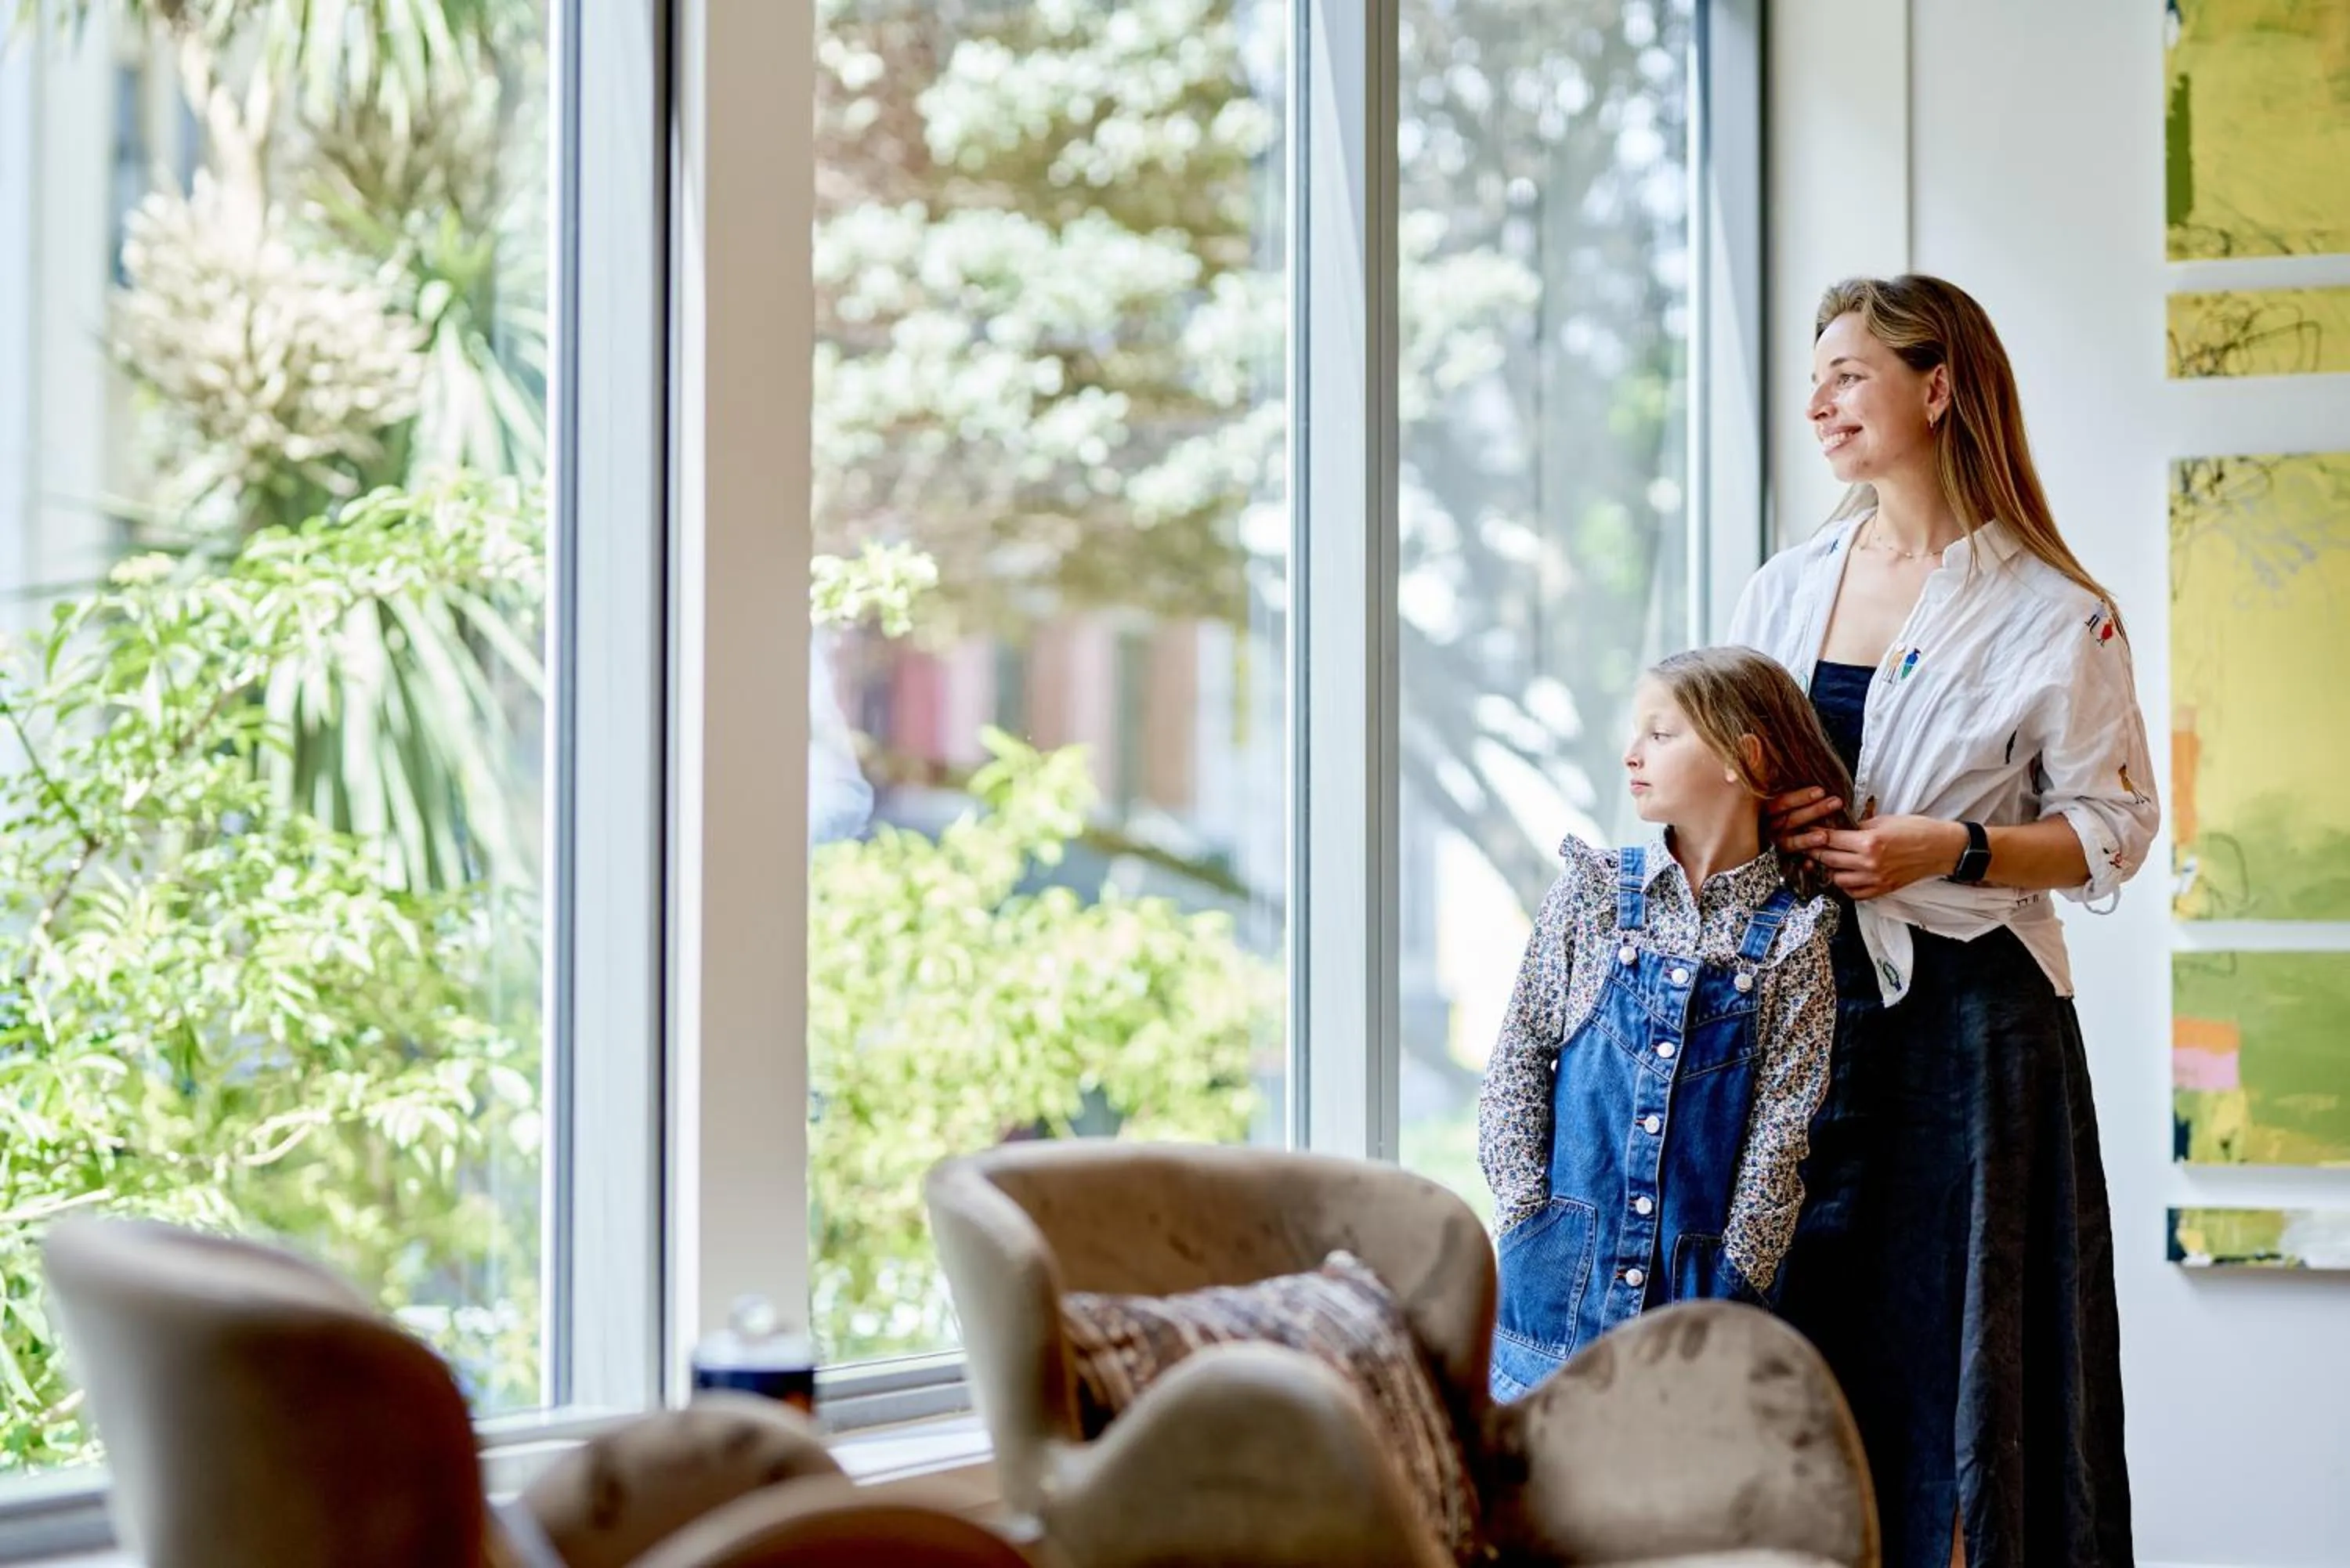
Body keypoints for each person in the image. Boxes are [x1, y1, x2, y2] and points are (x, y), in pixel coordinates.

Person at [1726, 274, 2157, 1568]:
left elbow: (2112, 829)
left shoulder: (2053, 610)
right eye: (1816, 378)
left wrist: (1951, 845)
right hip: (1803, 1022)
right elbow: (1713, 785)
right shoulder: (1782, 591)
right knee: (1798, 1356)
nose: (1820, 402)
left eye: (1849, 373)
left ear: (1939, 384)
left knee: (1972, 1379)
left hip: (1976, 1034)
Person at [1475, 646, 1854, 1400]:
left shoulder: (1794, 940)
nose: (1631, 754)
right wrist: (1526, 1222)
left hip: (1700, 1319)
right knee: (1536, 1503)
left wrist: (1737, 1276)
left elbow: (1779, 1146)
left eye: (1661, 733)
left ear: (1741, 759)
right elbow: (1516, 1069)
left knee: (1670, 1510)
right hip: (1551, 1308)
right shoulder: (1591, 897)